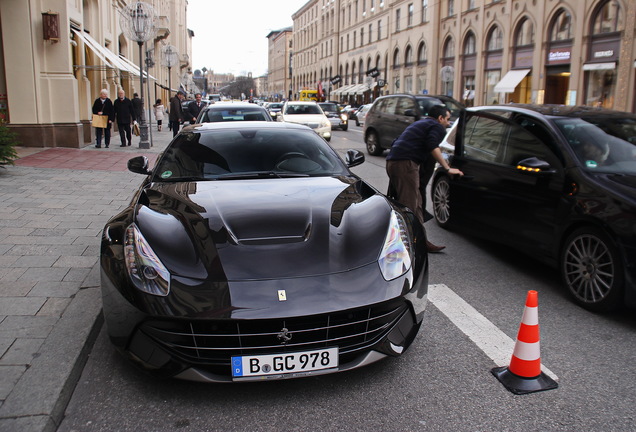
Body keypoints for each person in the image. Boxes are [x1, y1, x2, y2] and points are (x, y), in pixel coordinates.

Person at [386, 105, 463, 253]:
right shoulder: (436, 126)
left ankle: (421, 241)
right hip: (406, 164)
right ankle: (405, 245)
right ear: (440, 118)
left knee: (417, 204)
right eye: (447, 119)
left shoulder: (420, 123)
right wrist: (447, 168)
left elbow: (396, 141)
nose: (448, 123)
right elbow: (433, 146)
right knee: (409, 206)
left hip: (394, 162)